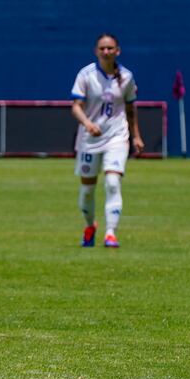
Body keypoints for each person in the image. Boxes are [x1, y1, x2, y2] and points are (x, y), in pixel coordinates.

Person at [70, 33, 144, 248]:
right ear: (96, 51)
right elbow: (76, 106)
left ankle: (111, 233)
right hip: (90, 139)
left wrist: (136, 135)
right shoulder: (86, 75)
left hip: (117, 137)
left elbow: (130, 109)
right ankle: (90, 225)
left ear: (117, 51)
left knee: (112, 182)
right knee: (87, 191)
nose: (106, 52)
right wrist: (87, 123)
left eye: (110, 48)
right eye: (102, 48)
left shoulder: (127, 77)